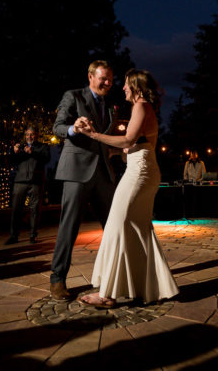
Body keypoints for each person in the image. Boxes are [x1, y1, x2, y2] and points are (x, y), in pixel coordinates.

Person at [76, 69, 179, 307]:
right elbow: (137, 146)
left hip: (139, 174)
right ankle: (147, 286)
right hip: (143, 169)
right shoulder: (144, 108)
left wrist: (94, 135)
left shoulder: (141, 106)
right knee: (139, 228)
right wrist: (117, 152)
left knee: (117, 224)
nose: (122, 88)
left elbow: (128, 140)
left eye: (126, 85)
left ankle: (108, 295)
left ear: (137, 87)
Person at [49, 60, 117, 301]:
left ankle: (115, 278)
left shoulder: (110, 106)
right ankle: (57, 279)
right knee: (69, 227)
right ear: (90, 76)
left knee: (114, 228)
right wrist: (73, 128)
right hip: (77, 171)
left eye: (110, 79)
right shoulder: (73, 96)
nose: (108, 83)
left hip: (104, 174)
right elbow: (58, 127)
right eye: (103, 78)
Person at [6, 127, 50, 245]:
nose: (29, 137)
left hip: (36, 182)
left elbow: (47, 158)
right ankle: (13, 236)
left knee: (34, 210)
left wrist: (33, 152)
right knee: (16, 209)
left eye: (32, 134)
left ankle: (32, 235)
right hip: (20, 182)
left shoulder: (43, 147)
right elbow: (11, 161)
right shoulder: (20, 147)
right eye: (27, 135)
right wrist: (13, 152)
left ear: (37, 135)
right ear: (25, 136)